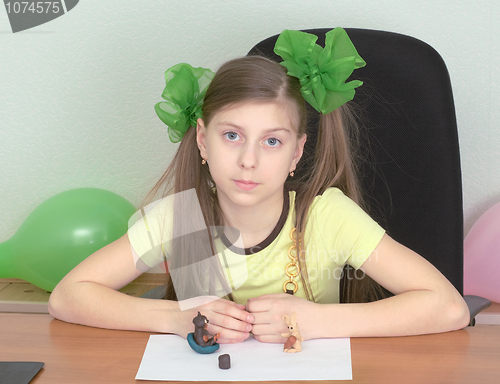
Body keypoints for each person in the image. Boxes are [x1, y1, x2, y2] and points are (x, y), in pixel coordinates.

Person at [48, 28, 470, 342]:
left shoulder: (327, 216)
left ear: (296, 153)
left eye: (271, 141)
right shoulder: (180, 218)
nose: (249, 160)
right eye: (232, 135)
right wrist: (176, 318)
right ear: (202, 140)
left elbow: (447, 307)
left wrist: (318, 321)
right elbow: (67, 297)